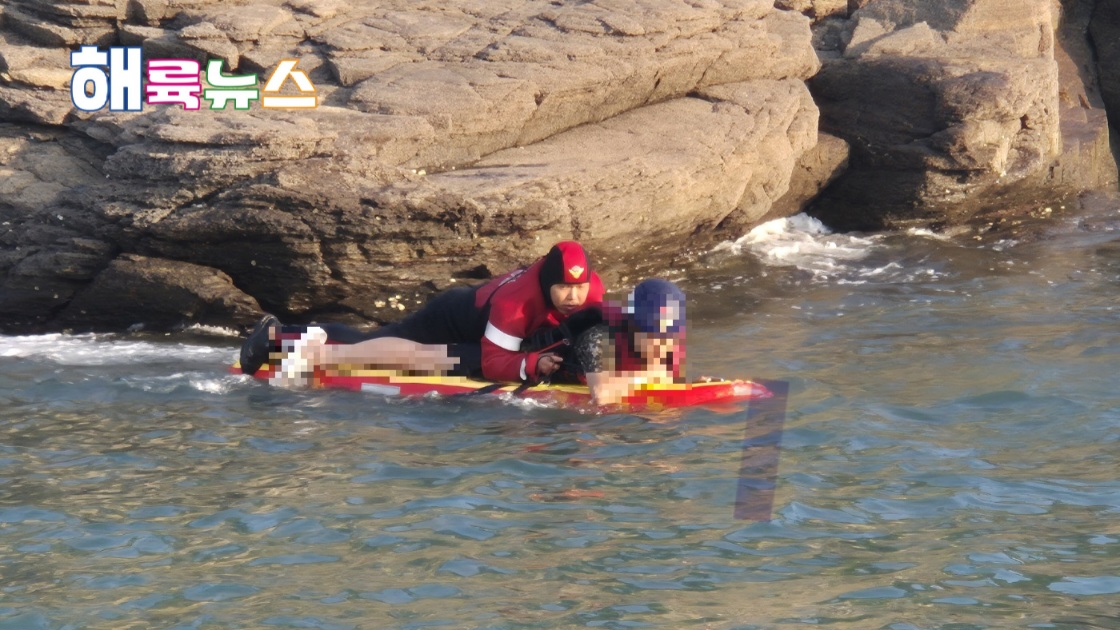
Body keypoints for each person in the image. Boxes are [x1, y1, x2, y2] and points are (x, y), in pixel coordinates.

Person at [239, 241, 605, 385]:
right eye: (563, 288)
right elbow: (495, 361)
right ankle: (278, 336)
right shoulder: (517, 304)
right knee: (376, 342)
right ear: (547, 283)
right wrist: (531, 365)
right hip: (454, 317)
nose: (573, 297)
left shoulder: (591, 291)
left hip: (488, 325)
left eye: (579, 287)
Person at [571, 278, 688, 405]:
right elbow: (601, 396)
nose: (663, 345)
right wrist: (655, 376)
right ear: (634, 327)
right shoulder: (598, 338)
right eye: (655, 336)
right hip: (568, 378)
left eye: (669, 337)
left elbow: (672, 383)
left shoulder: (671, 343)